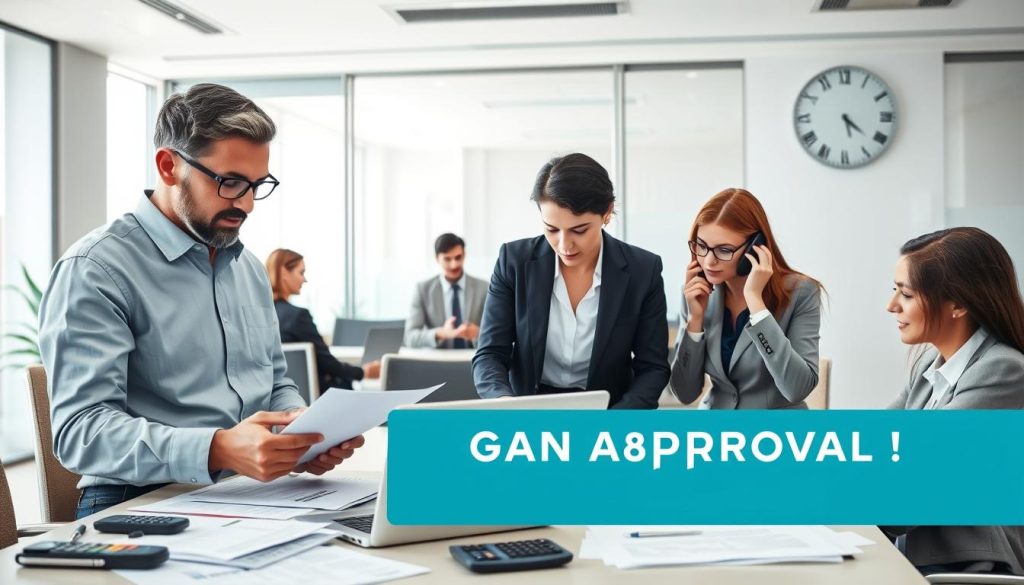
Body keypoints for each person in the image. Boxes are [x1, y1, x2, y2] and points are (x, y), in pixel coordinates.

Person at [38, 83, 364, 519]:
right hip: (136, 501)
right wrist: (218, 448)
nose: (247, 203)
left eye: (257, 185)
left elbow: (274, 382)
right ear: (168, 166)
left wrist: (300, 432)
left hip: (248, 493)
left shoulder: (248, 268)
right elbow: (81, 432)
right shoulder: (96, 268)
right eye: (230, 182)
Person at [472, 153, 670, 409]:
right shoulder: (514, 262)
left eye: (579, 230)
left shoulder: (643, 271)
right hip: (526, 408)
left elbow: (652, 368)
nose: (565, 246)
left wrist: (615, 422)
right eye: (552, 229)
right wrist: (504, 403)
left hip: (609, 411)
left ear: (607, 212)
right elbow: (490, 354)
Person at [883, 227, 1024, 576]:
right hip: (920, 561)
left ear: (958, 305)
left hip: (972, 570)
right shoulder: (929, 368)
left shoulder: (1004, 371)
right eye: (894, 290)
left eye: (907, 294)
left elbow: (923, 478)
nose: (892, 306)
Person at [670, 188, 823, 409]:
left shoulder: (801, 292)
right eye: (701, 246)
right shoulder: (697, 291)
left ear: (755, 246)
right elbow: (684, 394)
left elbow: (796, 388)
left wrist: (756, 303)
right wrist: (695, 320)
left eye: (724, 250)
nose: (709, 261)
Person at [266, 249, 381, 390]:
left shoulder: (261, 316)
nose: (304, 280)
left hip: (277, 394)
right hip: (316, 395)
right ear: (284, 272)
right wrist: (364, 372)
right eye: (301, 273)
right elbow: (328, 363)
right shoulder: (298, 316)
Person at [404, 233, 487, 349]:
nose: (454, 265)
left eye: (458, 257)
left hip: (472, 356)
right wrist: (440, 333)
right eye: (447, 259)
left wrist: (478, 333)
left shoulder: (484, 288)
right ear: (437, 258)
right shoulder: (422, 290)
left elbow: (497, 332)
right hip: (437, 358)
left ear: (464, 255)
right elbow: (409, 337)